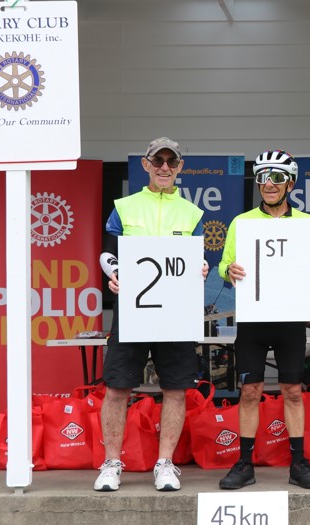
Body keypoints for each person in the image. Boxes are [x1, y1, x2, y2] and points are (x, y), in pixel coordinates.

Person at [95, 137, 208, 492]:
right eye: (158, 161)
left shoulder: (191, 213)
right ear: (145, 165)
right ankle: (111, 463)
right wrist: (115, 273)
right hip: (134, 311)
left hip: (175, 313)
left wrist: (202, 267)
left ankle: (165, 463)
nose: (164, 167)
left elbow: (197, 258)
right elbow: (107, 254)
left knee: (175, 389)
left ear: (180, 167)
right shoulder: (124, 207)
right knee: (117, 387)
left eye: (171, 162)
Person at [217, 149, 310, 490]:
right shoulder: (242, 222)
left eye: (277, 177)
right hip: (254, 318)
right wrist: (229, 269)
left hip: (290, 319)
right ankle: (244, 463)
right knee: (249, 390)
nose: (268, 184)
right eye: (263, 177)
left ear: (290, 183)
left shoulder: (305, 223)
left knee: (292, 390)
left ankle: (299, 463)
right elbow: (224, 264)